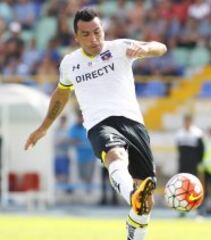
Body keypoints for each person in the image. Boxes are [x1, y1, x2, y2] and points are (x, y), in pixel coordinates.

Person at [24, 7, 167, 240]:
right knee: (116, 156)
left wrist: (145, 49)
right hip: (99, 124)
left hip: (134, 124)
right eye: (86, 34)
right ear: (76, 37)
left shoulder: (120, 48)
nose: (94, 38)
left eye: (97, 32)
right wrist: (43, 127)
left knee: (146, 203)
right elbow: (61, 94)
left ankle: (134, 228)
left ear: (103, 30)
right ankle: (131, 193)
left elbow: (161, 47)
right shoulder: (70, 63)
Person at [68, 110, 96, 193]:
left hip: (91, 156)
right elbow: (71, 140)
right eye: (80, 117)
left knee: (89, 175)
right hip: (80, 156)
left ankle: (89, 190)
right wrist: (76, 141)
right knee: (82, 175)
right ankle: (86, 188)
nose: (81, 118)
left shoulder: (89, 126)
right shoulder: (74, 128)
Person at [54, 115, 71, 193]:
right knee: (57, 174)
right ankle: (58, 190)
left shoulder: (67, 131)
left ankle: (65, 190)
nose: (63, 123)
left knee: (65, 174)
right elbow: (55, 142)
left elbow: (70, 141)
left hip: (65, 155)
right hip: (57, 155)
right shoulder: (56, 131)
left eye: (64, 121)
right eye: (62, 121)